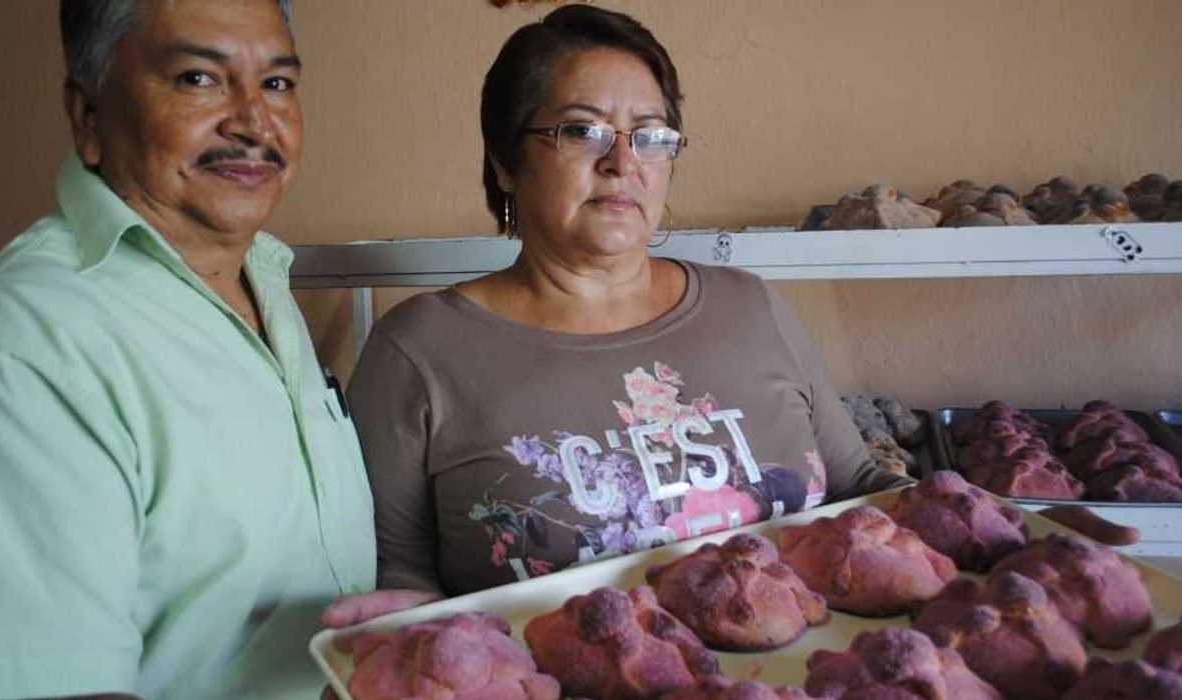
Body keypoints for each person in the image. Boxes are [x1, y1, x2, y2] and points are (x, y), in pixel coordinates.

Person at [328, 4, 1138, 627]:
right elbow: (401, 573)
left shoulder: (748, 306)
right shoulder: (420, 352)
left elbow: (860, 488)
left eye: (650, 135)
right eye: (581, 131)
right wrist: (404, 631)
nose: (621, 161)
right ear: (505, 160)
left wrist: (1004, 530)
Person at [0, 1, 375, 697]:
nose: (254, 122)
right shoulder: (24, 342)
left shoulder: (260, 278)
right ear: (87, 116)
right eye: (199, 78)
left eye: (277, 83)